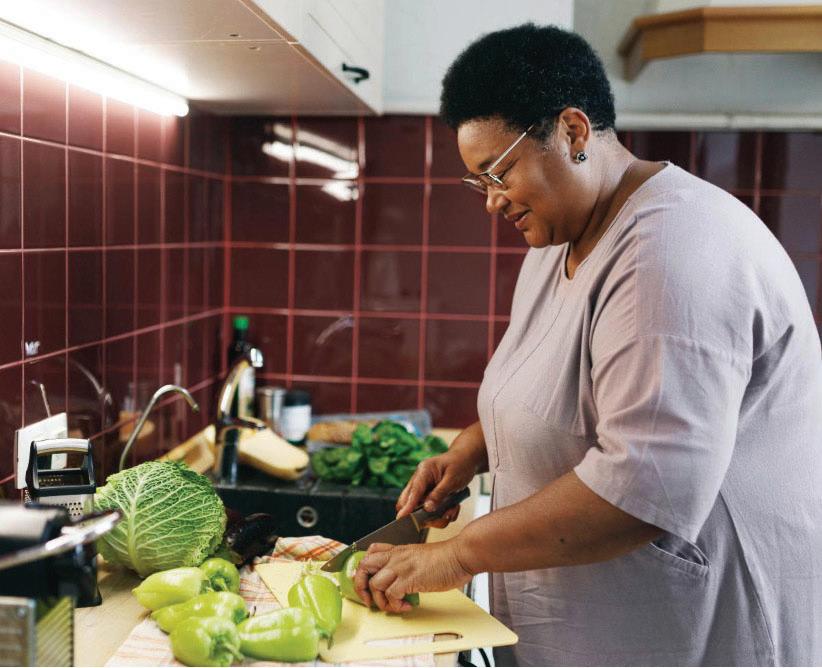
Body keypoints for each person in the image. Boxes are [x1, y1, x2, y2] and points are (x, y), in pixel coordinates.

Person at [352, 23, 822, 666]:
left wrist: (456, 555)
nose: (492, 202)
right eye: (479, 182)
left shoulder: (672, 252)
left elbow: (646, 484)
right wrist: (471, 450)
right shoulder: (558, 240)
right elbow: (561, 389)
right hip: (598, 626)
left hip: (693, 632)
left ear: (573, 132)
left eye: (499, 172)